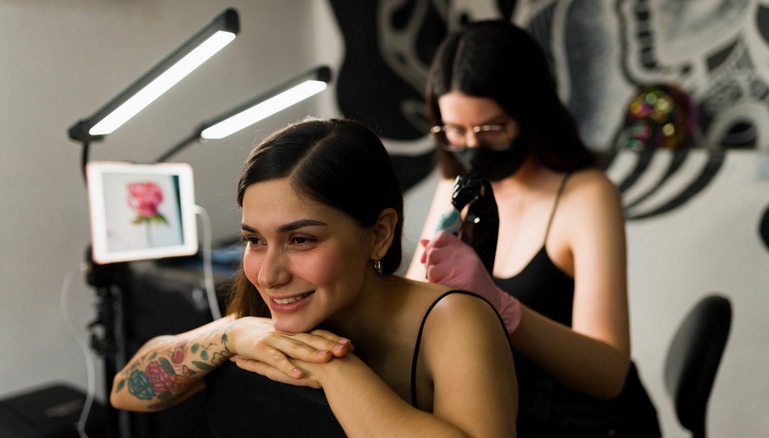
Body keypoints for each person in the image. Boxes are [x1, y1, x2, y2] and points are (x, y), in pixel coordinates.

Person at [110, 118, 518, 437]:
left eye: (301, 239)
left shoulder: (455, 322)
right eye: (254, 240)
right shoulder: (266, 325)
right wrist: (229, 336)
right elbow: (127, 391)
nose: (268, 275)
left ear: (379, 234)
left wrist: (335, 369)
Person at [406, 19, 662, 436]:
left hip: (589, 423)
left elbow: (609, 373)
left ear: (530, 114)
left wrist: (502, 307)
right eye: (455, 131)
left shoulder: (587, 196)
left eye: (491, 129)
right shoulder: (457, 188)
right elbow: (413, 309)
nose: (472, 147)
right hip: (500, 416)